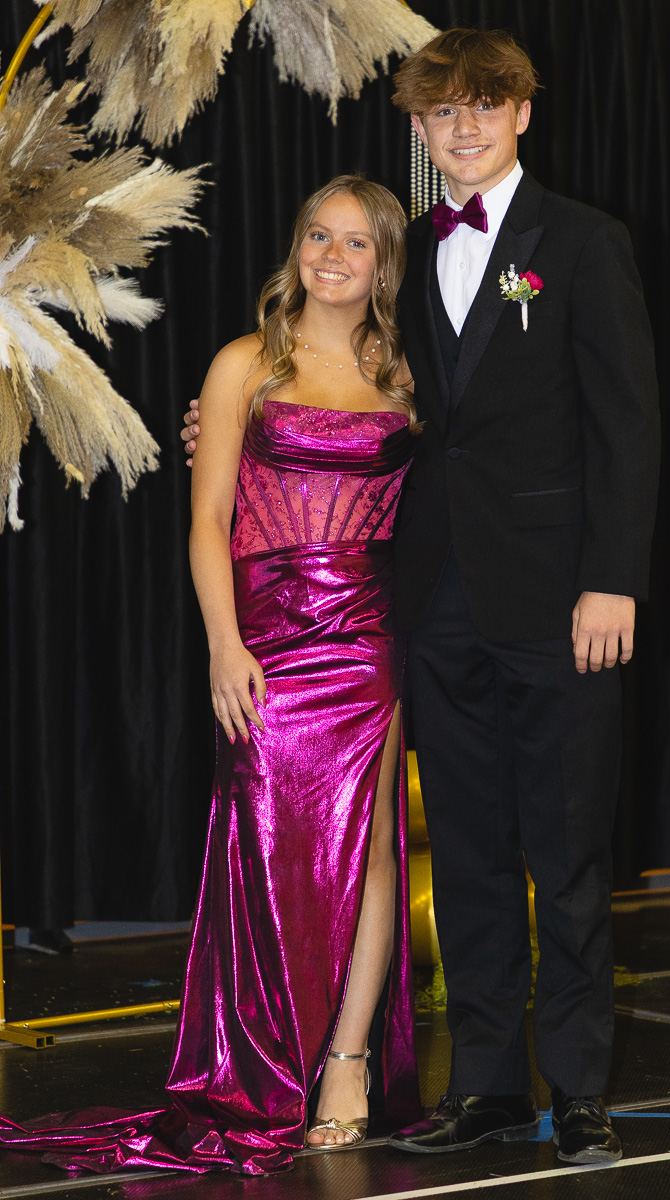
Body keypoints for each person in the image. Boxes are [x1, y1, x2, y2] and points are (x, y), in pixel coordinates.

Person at [184, 28, 660, 1167]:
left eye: (485, 106)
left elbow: (629, 424)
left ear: (521, 115)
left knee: (566, 852)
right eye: (443, 111)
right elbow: (346, 404)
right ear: (419, 128)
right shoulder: (399, 282)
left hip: (560, 605)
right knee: (472, 852)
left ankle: (576, 1090)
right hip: (429, 608)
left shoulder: (582, 243)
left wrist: (612, 580)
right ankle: (486, 1086)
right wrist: (220, 425)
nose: (464, 127)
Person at [0, 176, 421, 1175]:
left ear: (383, 264)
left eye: (355, 242)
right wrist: (223, 645)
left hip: (369, 637)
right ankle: (261, 1065)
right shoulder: (244, 363)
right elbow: (207, 520)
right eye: (317, 234)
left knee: (372, 852)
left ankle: (348, 1061)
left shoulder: (408, 375)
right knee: (263, 851)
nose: (330, 255)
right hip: (264, 640)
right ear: (295, 245)